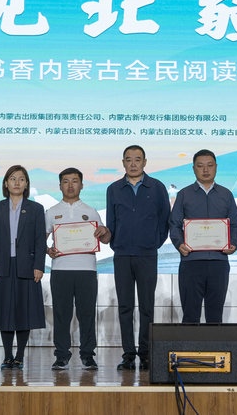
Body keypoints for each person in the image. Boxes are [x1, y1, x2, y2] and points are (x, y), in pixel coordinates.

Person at [106, 145, 170, 370]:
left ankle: (145, 353)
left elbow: (165, 221)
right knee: (125, 306)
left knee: (146, 307)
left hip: (147, 254)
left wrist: (152, 243)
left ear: (144, 162)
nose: (133, 164)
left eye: (137, 159)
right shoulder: (114, 189)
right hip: (122, 255)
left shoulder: (157, 187)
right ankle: (128, 354)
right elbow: (111, 222)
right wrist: (116, 244)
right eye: (128, 159)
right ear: (123, 162)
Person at [45, 168, 111, 371]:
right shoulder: (51, 212)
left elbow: (105, 239)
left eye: (75, 181)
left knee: (87, 314)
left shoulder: (91, 211)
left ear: (82, 185)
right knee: (61, 314)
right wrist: (48, 250)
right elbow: (40, 240)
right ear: (60, 186)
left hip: (87, 270)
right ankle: (61, 355)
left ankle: (88, 355)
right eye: (66, 181)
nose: (70, 185)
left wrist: (104, 230)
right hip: (61, 270)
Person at [0, 165, 46, 370]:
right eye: (12, 178)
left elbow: (40, 240)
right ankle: (8, 355)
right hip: (3, 265)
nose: (17, 182)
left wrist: (39, 265)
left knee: (24, 312)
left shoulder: (36, 209)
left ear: (26, 184)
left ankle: (19, 356)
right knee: (5, 311)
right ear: (5, 183)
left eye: (21, 179)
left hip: (27, 266)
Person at [169, 149, 237, 325]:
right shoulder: (184, 194)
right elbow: (174, 225)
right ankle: (190, 344)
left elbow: (235, 225)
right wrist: (179, 244)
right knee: (190, 315)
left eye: (210, 165)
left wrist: (233, 243)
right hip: (191, 262)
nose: (205, 170)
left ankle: (213, 344)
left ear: (216, 167)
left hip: (219, 262)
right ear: (193, 168)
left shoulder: (226, 194)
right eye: (200, 166)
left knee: (215, 316)